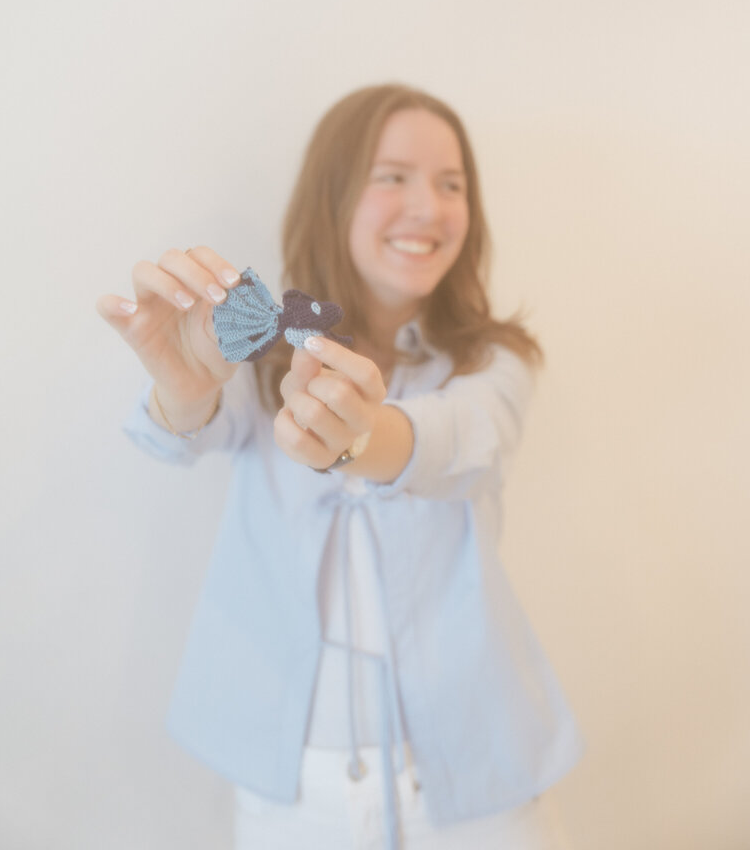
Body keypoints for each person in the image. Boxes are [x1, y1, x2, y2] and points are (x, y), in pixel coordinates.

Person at [96, 83, 583, 849]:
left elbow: (459, 441)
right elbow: (179, 435)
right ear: (333, 194)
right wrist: (182, 387)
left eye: (451, 184)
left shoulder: (494, 363)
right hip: (296, 788)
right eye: (391, 176)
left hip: (479, 784)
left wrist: (355, 438)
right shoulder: (260, 354)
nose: (427, 206)